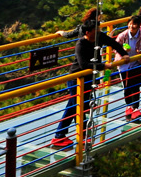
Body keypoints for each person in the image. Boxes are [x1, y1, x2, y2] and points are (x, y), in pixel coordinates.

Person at [51, 8, 127, 150]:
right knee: (78, 106)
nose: (99, 30)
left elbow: (114, 43)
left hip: (88, 78)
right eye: (96, 29)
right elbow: (83, 64)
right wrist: (103, 65)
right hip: (77, 78)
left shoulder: (98, 36)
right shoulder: (81, 44)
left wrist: (124, 54)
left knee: (76, 106)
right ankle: (68, 135)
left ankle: (64, 135)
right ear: (88, 32)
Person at [115, 15, 141, 123]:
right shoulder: (123, 35)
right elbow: (115, 47)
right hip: (124, 64)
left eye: (134, 24)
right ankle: (128, 106)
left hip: (136, 62)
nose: (131, 26)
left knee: (135, 86)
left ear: (139, 25)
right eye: (130, 23)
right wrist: (123, 50)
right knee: (127, 86)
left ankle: (136, 107)